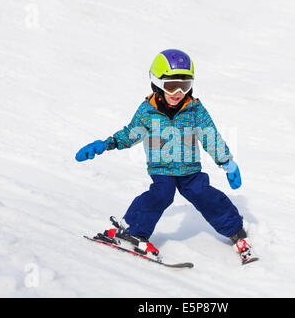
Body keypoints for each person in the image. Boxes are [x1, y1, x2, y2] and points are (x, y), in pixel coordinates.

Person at [75, 49, 258, 264]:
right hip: (161, 169)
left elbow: (210, 136)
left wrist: (226, 161)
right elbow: (131, 134)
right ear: (157, 83)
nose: (178, 92)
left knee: (204, 194)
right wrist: (106, 144)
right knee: (162, 194)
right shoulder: (148, 111)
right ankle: (133, 231)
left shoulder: (195, 110)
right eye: (171, 86)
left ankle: (235, 229)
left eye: (185, 85)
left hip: (190, 170)